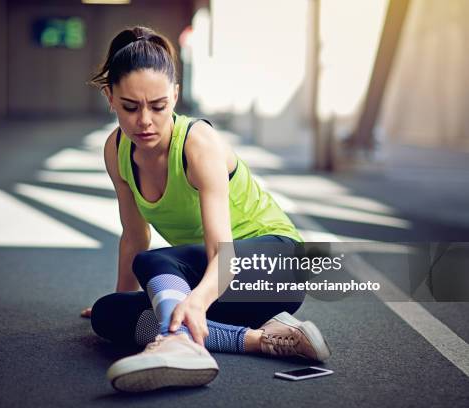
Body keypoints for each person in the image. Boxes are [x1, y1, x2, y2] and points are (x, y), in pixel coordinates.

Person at [82, 26, 331, 393]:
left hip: (275, 266)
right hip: (219, 284)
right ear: (110, 97)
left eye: (159, 106)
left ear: (176, 95)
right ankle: (261, 338)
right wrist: (124, 296)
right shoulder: (116, 151)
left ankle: (179, 343)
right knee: (109, 314)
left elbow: (221, 254)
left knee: (156, 263)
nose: (145, 121)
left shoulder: (198, 143)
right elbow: (136, 235)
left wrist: (196, 301)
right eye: (130, 107)